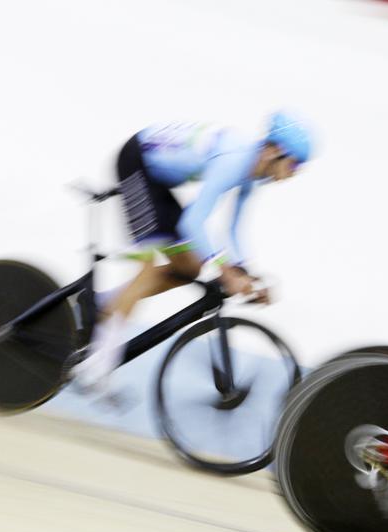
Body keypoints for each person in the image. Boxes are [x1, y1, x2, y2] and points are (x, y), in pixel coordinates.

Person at [73, 111, 314, 390]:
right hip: (136, 162)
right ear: (274, 152)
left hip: (157, 180)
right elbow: (193, 221)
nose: (294, 174)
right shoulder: (235, 160)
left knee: (190, 267)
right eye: (294, 165)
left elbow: (234, 228)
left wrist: (244, 272)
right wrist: (226, 271)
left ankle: (106, 304)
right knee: (149, 269)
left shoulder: (254, 171)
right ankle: (97, 367)